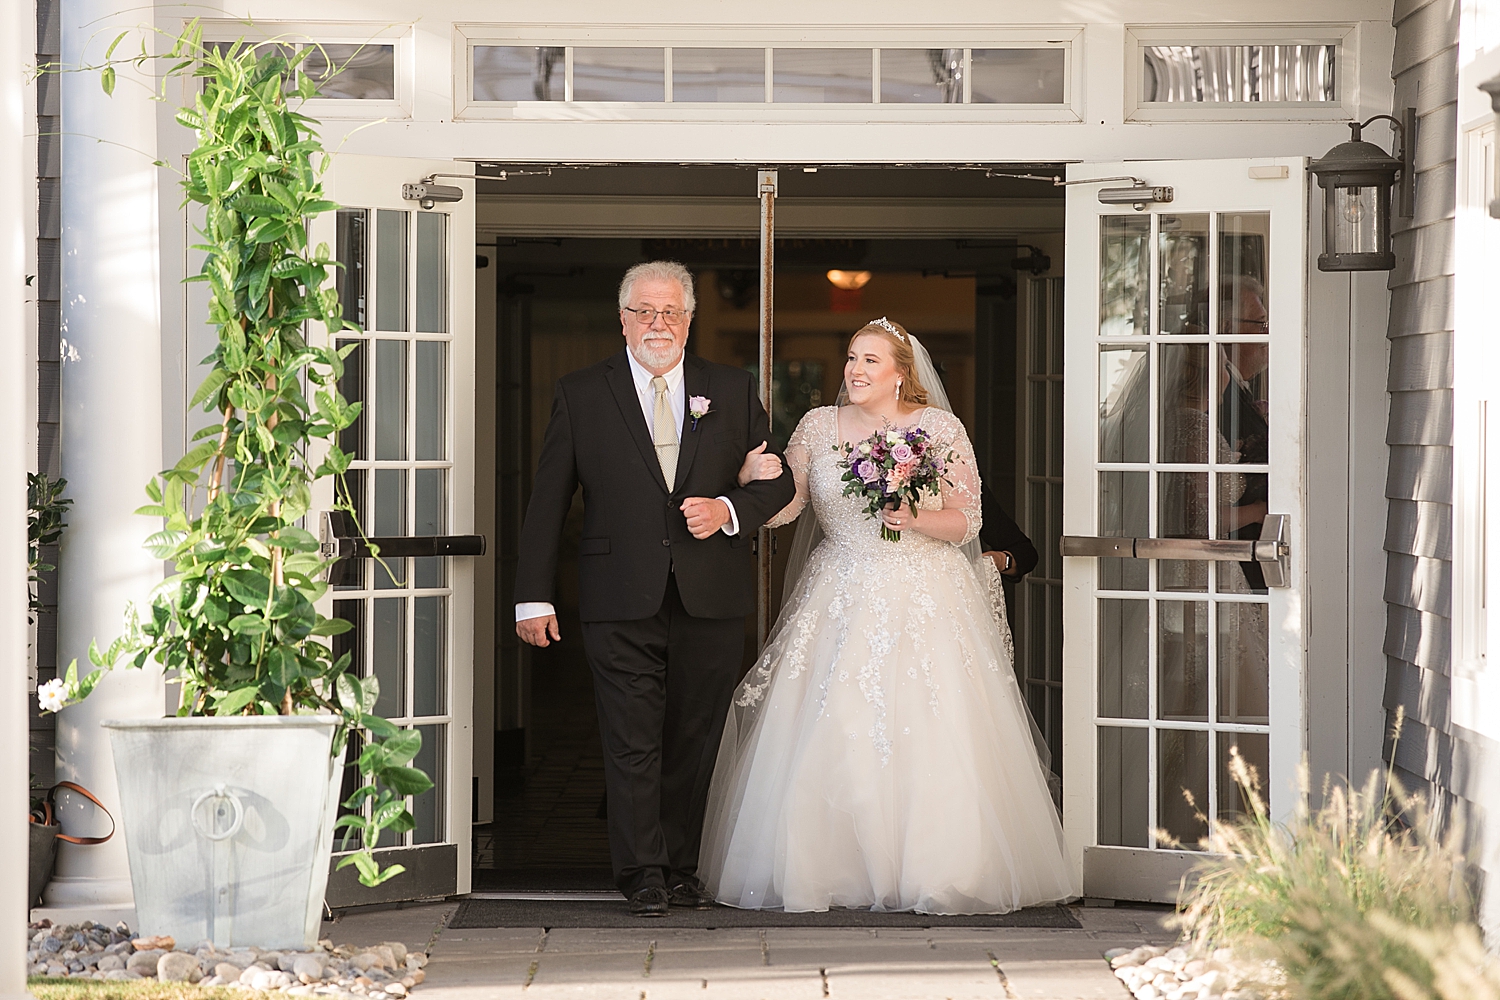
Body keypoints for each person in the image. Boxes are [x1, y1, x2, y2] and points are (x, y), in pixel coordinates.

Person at [699, 317, 1076, 914]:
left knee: (935, 723)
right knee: (836, 722)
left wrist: (913, 518)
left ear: (903, 373)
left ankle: (937, 867)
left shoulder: (939, 429)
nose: (855, 369)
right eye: (852, 357)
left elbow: (967, 520)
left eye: (871, 360)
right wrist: (748, 482)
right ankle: (830, 864)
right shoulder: (819, 426)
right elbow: (786, 509)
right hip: (841, 589)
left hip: (926, 593)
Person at [513, 261, 795, 918]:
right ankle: (641, 870)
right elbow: (547, 499)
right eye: (644, 311)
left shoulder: (731, 388)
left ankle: (683, 865)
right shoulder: (582, 392)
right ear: (622, 320)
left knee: (695, 734)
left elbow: (776, 483)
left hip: (710, 595)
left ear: (690, 321)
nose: (657, 324)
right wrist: (534, 595)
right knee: (630, 733)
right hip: (616, 594)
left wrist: (728, 509)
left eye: (670, 312)